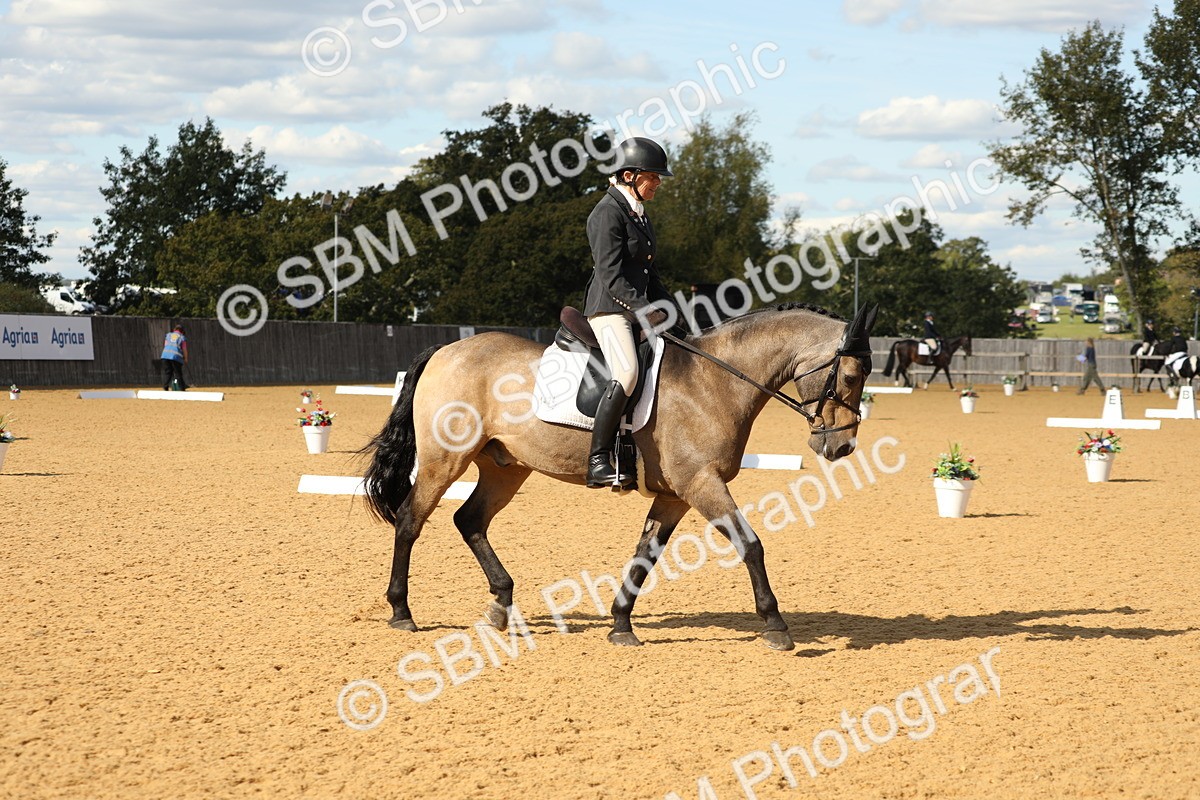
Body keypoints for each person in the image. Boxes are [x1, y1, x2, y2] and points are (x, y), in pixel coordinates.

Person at [582, 136, 676, 488]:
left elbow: (648, 274)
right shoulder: (606, 213)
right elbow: (610, 275)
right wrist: (644, 310)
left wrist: (672, 310)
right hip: (609, 309)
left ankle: (634, 450)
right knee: (627, 371)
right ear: (629, 175)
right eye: (653, 176)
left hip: (634, 307)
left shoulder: (638, 213)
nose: (658, 183)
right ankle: (597, 459)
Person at [161, 323, 189, 391]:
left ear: (174, 329)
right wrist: (186, 358)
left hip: (165, 356)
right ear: (182, 331)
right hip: (175, 357)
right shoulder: (182, 337)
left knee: (168, 372)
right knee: (178, 373)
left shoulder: (168, 335)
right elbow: (184, 349)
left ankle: (165, 386)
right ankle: (182, 388)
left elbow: (165, 345)